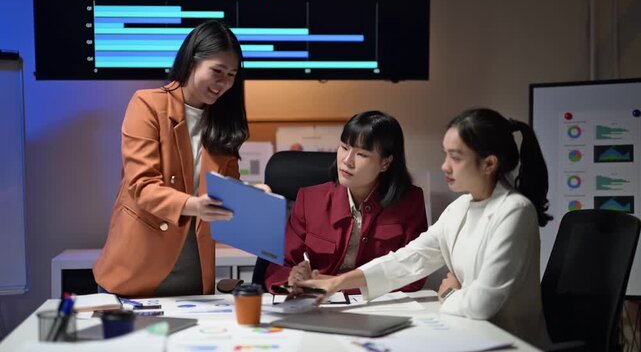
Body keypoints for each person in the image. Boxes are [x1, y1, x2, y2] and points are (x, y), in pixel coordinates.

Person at [297, 108, 553, 348]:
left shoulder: (515, 211)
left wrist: (450, 291)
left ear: (489, 164)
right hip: (469, 335)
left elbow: (481, 305)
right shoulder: (461, 206)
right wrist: (337, 282)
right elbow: (409, 259)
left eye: (456, 157)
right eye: (445, 154)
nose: (444, 166)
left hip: (509, 343)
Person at [93, 20, 250, 297]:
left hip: (193, 264)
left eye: (231, 75)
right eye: (217, 71)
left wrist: (252, 196)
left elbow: (226, 190)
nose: (223, 83)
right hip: (138, 262)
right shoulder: (147, 104)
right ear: (192, 62)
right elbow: (142, 185)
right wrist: (194, 204)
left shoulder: (224, 122)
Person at [264, 111, 428, 294]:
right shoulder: (308, 199)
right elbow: (278, 267)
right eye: (344, 147)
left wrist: (339, 284)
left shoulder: (410, 202)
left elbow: (414, 275)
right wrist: (293, 279)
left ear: (385, 163)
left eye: (362, 154)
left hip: (378, 306)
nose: (347, 161)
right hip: (317, 305)